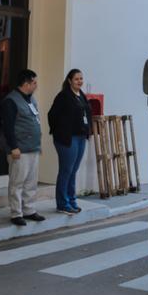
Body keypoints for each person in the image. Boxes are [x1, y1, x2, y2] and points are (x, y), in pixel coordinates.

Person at [0, 69, 47, 226]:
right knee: (17, 183)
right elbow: (8, 127)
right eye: (34, 82)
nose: (36, 85)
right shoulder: (11, 101)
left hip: (33, 148)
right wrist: (13, 147)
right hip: (19, 150)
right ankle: (16, 213)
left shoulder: (31, 99)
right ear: (26, 84)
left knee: (31, 183)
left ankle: (29, 210)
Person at [47, 69, 92, 214]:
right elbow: (52, 115)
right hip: (68, 139)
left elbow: (87, 114)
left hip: (80, 138)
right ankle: (62, 203)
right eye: (76, 79)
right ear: (69, 81)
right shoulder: (63, 96)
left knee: (73, 171)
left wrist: (87, 131)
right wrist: (60, 132)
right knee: (66, 171)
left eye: (81, 79)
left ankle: (72, 201)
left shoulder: (82, 96)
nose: (80, 81)